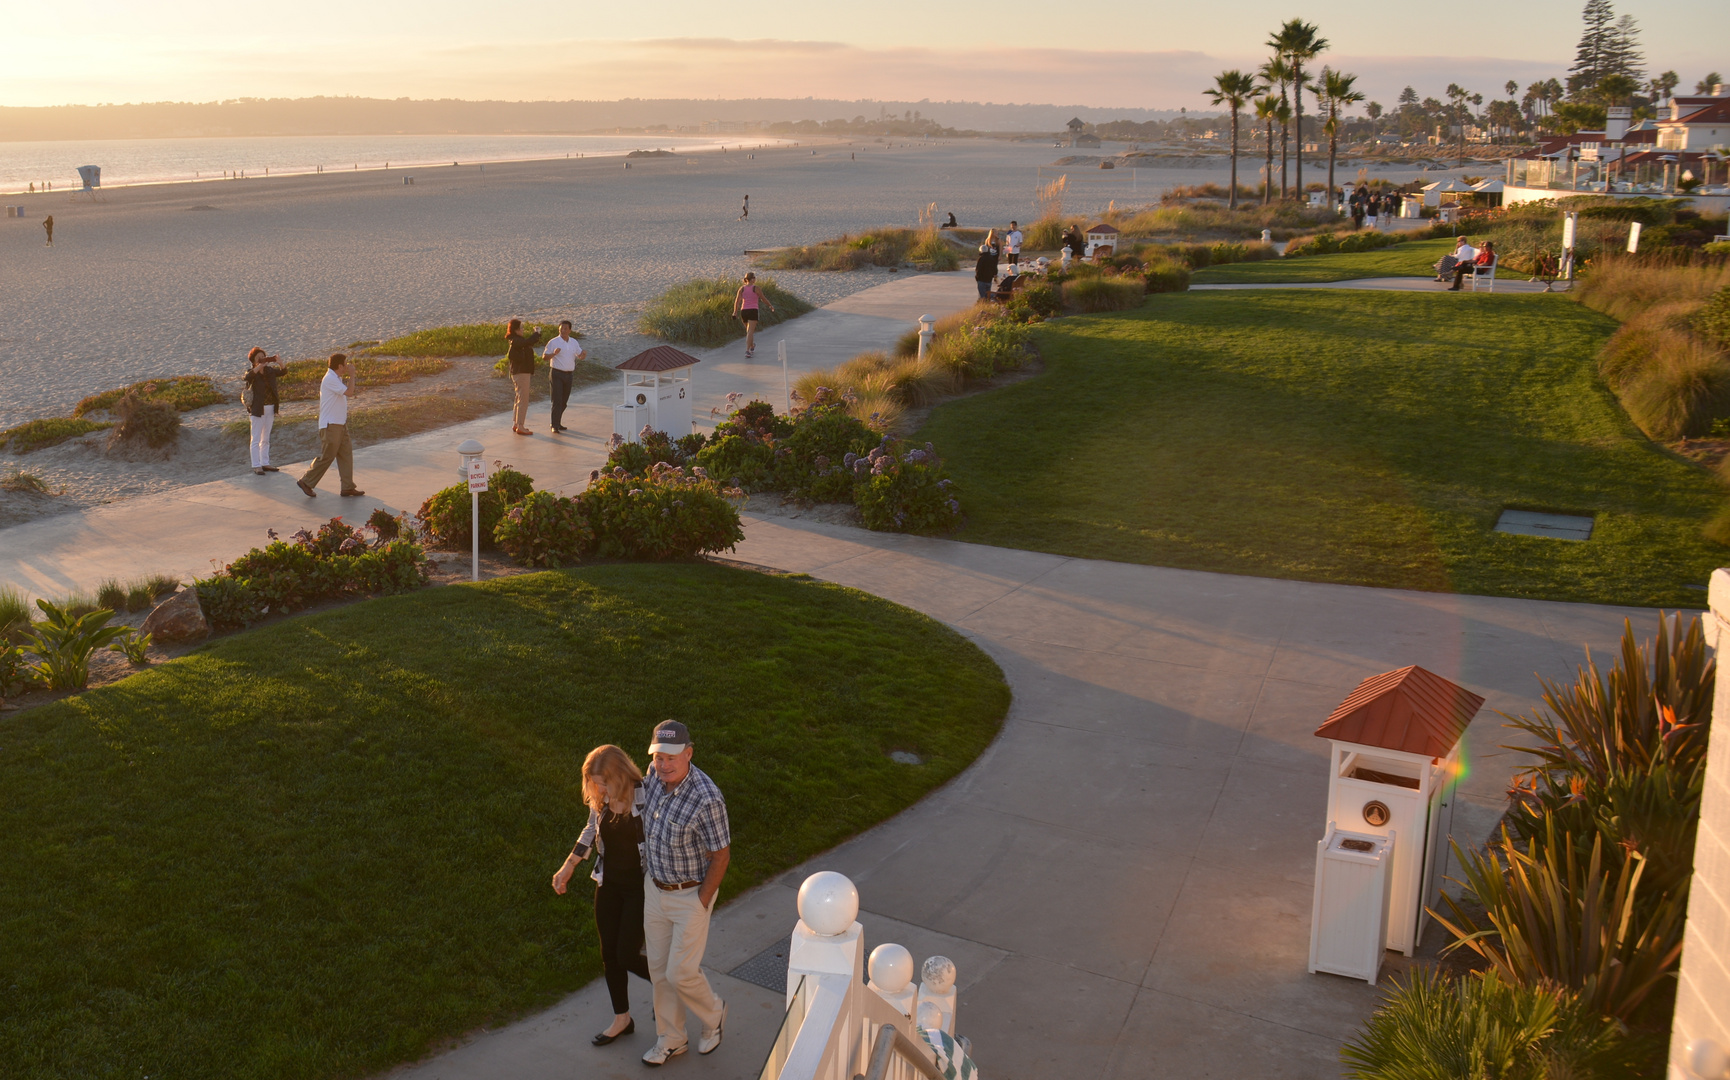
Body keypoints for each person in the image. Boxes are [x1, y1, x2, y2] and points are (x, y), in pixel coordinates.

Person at [638, 721, 731, 1067]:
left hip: (690, 894)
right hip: (656, 889)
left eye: (671, 758)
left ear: (689, 754)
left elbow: (721, 854)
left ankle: (714, 1014)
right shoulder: (654, 776)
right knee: (659, 971)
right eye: (658, 757)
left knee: (681, 973)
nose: (663, 765)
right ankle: (672, 1039)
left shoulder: (707, 798)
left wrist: (702, 900)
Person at [553, 745, 653, 1048]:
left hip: (640, 887)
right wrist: (568, 866)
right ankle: (622, 1019)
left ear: (620, 774)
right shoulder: (602, 799)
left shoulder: (645, 795)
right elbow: (590, 829)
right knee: (609, 954)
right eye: (594, 782)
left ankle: (674, 983)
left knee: (626, 954)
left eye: (604, 781)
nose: (599, 788)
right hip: (608, 884)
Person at [297, 353, 363, 498]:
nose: (348, 366)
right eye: (346, 364)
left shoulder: (336, 378)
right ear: (340, 366)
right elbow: (350, 393)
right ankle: (306, 481)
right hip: (330, 425)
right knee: (328, 456)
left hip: (339, 424)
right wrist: (352, 375)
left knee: (346, 454)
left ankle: (347, 487)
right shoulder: (330, 379)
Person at [242, 348, 285, 475]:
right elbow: (246, 377)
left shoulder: (269, 371)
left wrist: (280, 362)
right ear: (254, 360)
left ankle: (265, 463)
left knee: (265, 438)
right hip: (257, 409)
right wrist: (258, 366)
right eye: (259, 357)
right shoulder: (252, 373)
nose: (262, 359)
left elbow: (284, 372)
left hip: (270, 407)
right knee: (255, 438)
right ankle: (256, 465)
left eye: (264, 357)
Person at [542, 320, 586, 434]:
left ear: (570, 330)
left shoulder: (574, 342)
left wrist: (583, 355)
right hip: (556, 373)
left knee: (564, 401)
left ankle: (558, 422)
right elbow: (544, 357)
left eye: (565, 328)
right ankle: (554, 425)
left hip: (569, 374)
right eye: (561, 328)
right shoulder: (554, 342)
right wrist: (554, 354)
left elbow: (579, 355)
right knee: (556, 400)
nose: (563, 330)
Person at [505, 318, 542, 435]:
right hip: (521, 372)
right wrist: (537, 333)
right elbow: (527, 342)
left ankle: (516, 424)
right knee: (523, 399)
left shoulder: (515, 340)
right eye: (521, 328)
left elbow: (527, 342)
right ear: (516, 330)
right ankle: (520, 425)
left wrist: (536, 335)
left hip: (519, 372)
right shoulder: (516, 340)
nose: (523, 330)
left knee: (519, 398)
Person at [732, 272, 776, 359]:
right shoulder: (756, 288)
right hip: (753, 310)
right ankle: (747, 351)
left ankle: (752, 345)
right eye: (754, 277)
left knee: (749, 332)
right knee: (750, 332)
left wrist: (735, 312)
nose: (755, 279)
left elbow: (737, 302)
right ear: (751, 279)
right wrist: (770, 305)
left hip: (744, 311)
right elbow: (763, 298)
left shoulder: (742, 289)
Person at [974, 232, 1000, 301]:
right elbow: (995, 268)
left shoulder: (981, 259)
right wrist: (994, 275)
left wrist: (977, 277)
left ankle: (983, 305)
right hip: (989, 280)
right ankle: (988, 303)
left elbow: (978, 269)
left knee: (982, 296)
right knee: (987, 294)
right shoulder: (991, 258)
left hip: (982, 280)